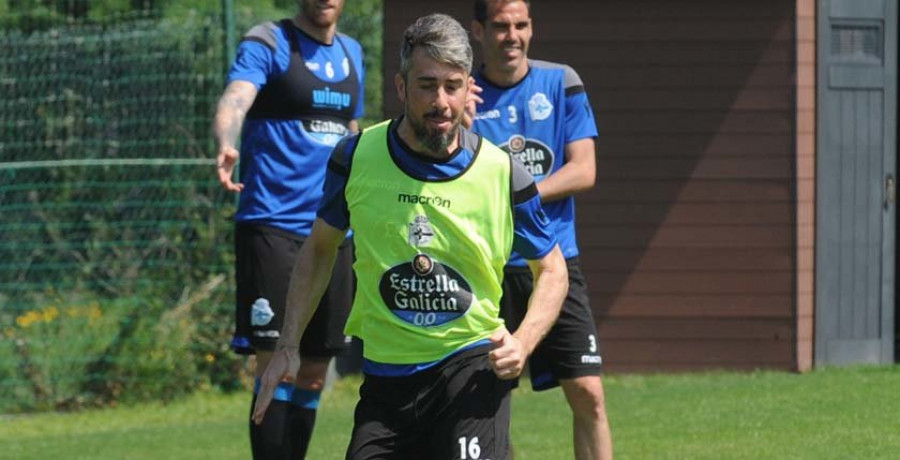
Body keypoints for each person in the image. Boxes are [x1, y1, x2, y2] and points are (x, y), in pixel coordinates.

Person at [252, 13, 568, 459]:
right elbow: (321, 249)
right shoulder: (356, 156)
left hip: (470, 370)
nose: (441, 101)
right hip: (387, 383)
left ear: (466, 89)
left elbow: (552, 269)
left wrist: (524, 341)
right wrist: (288, 345)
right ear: (401, 87)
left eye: (453, 85)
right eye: (427, 85)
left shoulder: (503, 172)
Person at [211, 0, 365, 457]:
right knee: (275, 364)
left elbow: (351, 130)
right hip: (273, 226)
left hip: (334, 232)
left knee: (315, 371)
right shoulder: (269, 41)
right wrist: (226, 139)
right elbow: (236, 97)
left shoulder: (353, 51)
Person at [465, 1, 614, 459]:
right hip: (486, 268)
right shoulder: (461, 94)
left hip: (553, 263)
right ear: (478, 31)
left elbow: (583, 170)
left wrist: (520, 194)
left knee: (588, 392)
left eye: (521, 25)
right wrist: (459, 125)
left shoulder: (560, 82)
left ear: (531, 28)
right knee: (486, 403)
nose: (512, 35)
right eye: (500, 26)